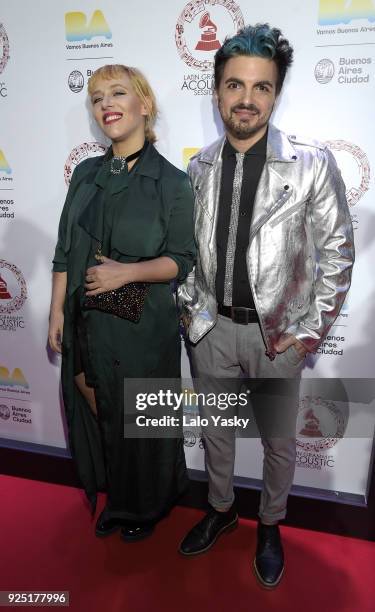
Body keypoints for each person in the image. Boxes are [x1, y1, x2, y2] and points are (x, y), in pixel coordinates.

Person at [178, 24, 354, 587]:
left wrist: (307, 332)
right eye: (234, 85)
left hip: (277, 335)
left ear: (275, 94)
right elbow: (184, 254)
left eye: (260, 87)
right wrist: (191, 316)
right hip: (211, 331)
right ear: (217, 92)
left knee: (279, 441)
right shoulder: (198, 168)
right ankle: (222, 508)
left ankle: (270, 523)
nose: (246, 98)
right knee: (216, 432)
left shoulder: (311, 164)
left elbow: (338, 254)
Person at [49, 64, 196, 541]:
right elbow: (65, 249)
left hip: (141, 327)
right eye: (96, 98)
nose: (106, 104)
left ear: (144, 105)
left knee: (141, 422)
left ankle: (145, 508)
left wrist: (126, 272)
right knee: (101, 411)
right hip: (86, 321)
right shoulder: (86, 174)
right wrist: (56, 311)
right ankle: (116, 495)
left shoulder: (172, 182)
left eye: (118, 93)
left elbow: (181, 259)